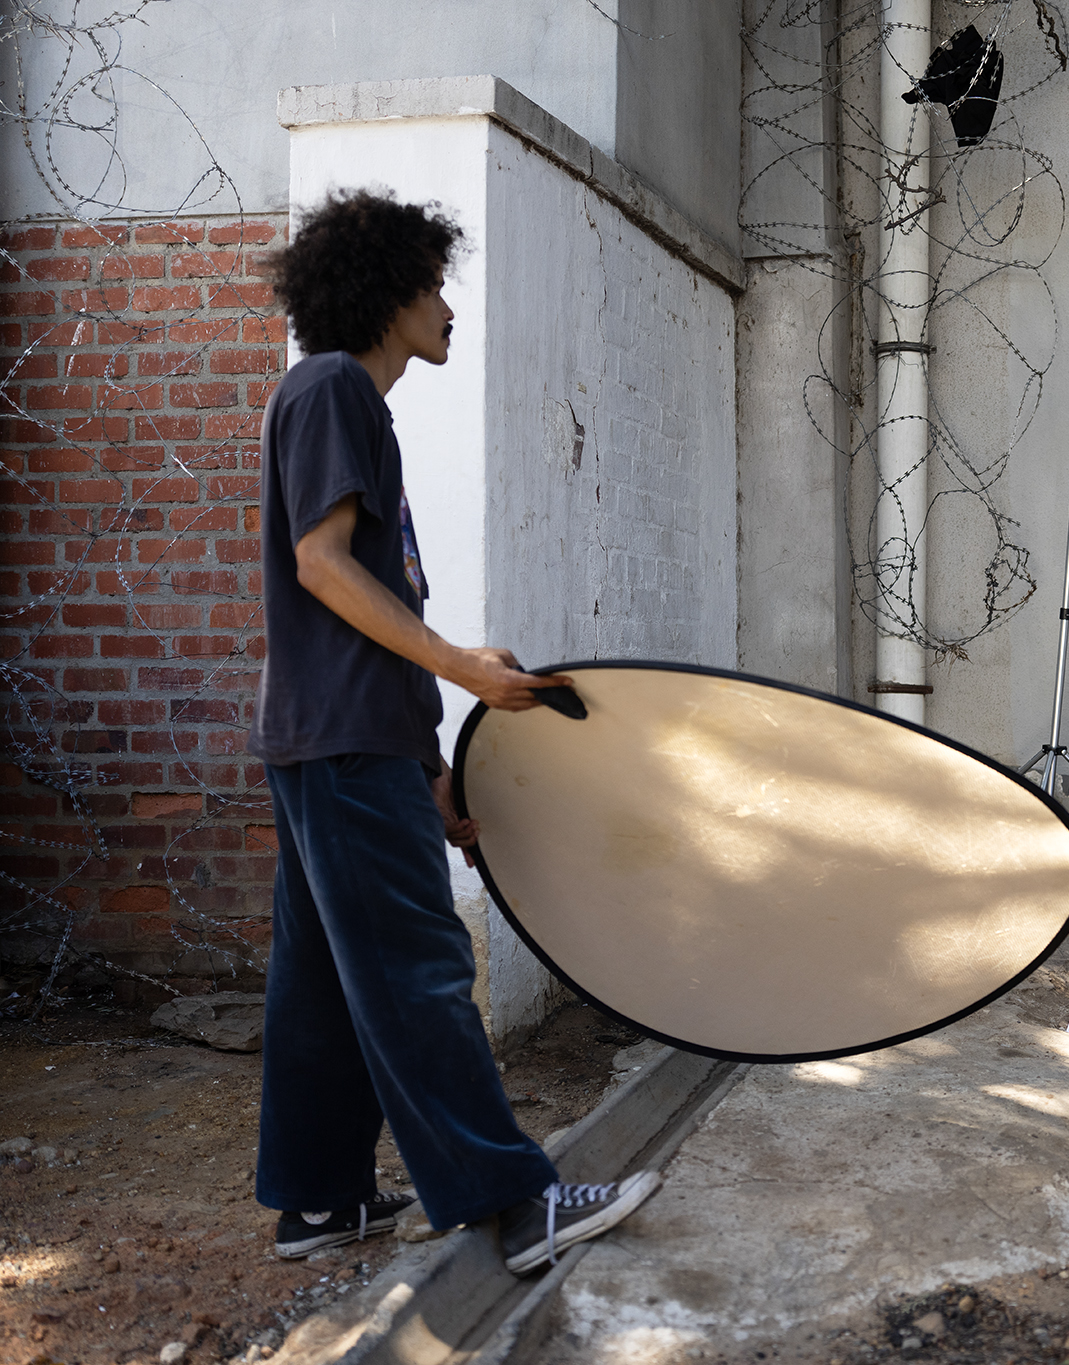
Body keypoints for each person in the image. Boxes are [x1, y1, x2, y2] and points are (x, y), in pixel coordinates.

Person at [251, 189, 658, 1273]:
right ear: (384, 293)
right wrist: (466, 670)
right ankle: (518, 1208)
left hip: (340, 739)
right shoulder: (334, 388)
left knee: (328, 980)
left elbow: (374, 608)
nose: (446, 304)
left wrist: (431, 761)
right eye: (431, 284)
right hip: (342, 746)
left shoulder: (343, 404)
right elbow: (321, 567)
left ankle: (321, 1202)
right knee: (418, 968)